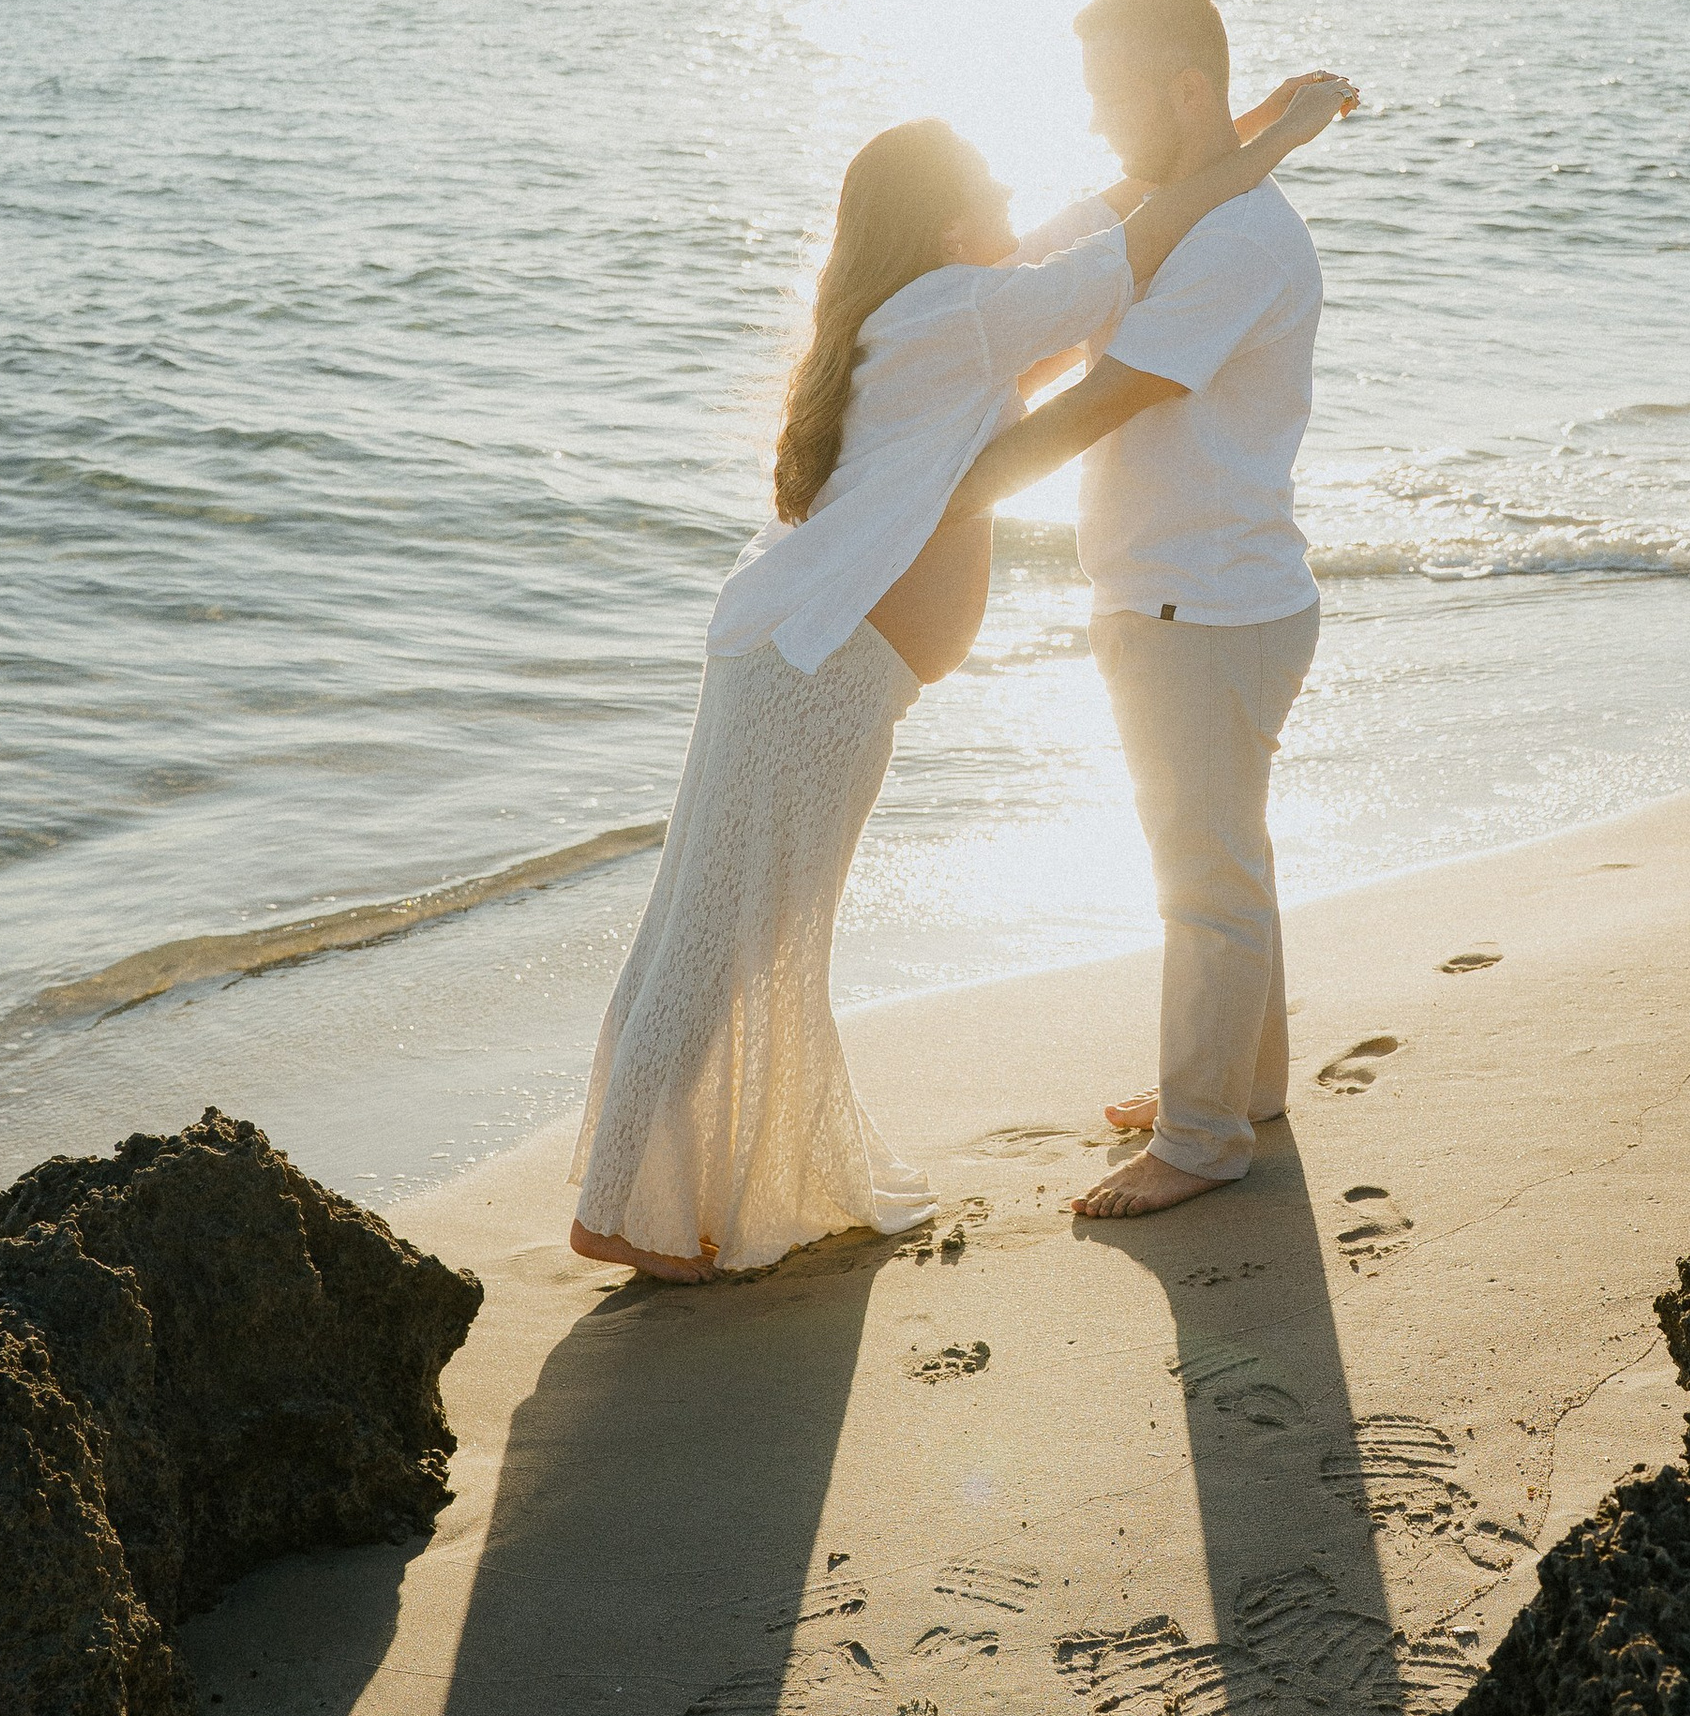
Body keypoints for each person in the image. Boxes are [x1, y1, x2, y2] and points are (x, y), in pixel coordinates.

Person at [568, 66, 1354, 1283]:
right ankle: (618, 1209)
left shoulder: (947, 299)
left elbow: (1104, 215)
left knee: (729, 922)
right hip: (811, 670)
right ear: (947, 223)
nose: (1016, 200)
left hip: (802, 660)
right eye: (993, 188)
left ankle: (657, 1186)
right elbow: (1143, 233)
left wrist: (1238, 125)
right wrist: (1288, 136)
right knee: (733, 934)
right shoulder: (965, 312)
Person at [943, 0, 1341, 1221]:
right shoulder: (1199, 206)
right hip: (1216, 595)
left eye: (1115, 99)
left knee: (1203, 879)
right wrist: (1265, 131)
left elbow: (1103, 399)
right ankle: (1242, 1084)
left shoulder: (1238, 241)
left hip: (1202, 607)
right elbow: (1068, 248)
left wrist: (932, 497)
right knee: (1230, 860)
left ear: (1182, 89)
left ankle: (1203, 1135)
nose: (1101, 126)